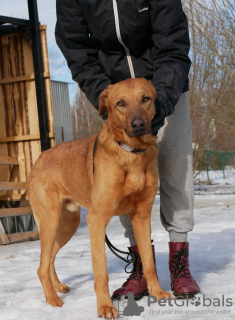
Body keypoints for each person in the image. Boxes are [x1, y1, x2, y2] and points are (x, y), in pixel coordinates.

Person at [55, 0, 200, 299]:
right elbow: (76, 48)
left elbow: (173, 38)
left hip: (162, 86)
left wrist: (161, 99)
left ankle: (179, 260)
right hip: (115, 91)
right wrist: (107, 99)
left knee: (176, 167)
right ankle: (140, 265)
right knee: (120, 185)